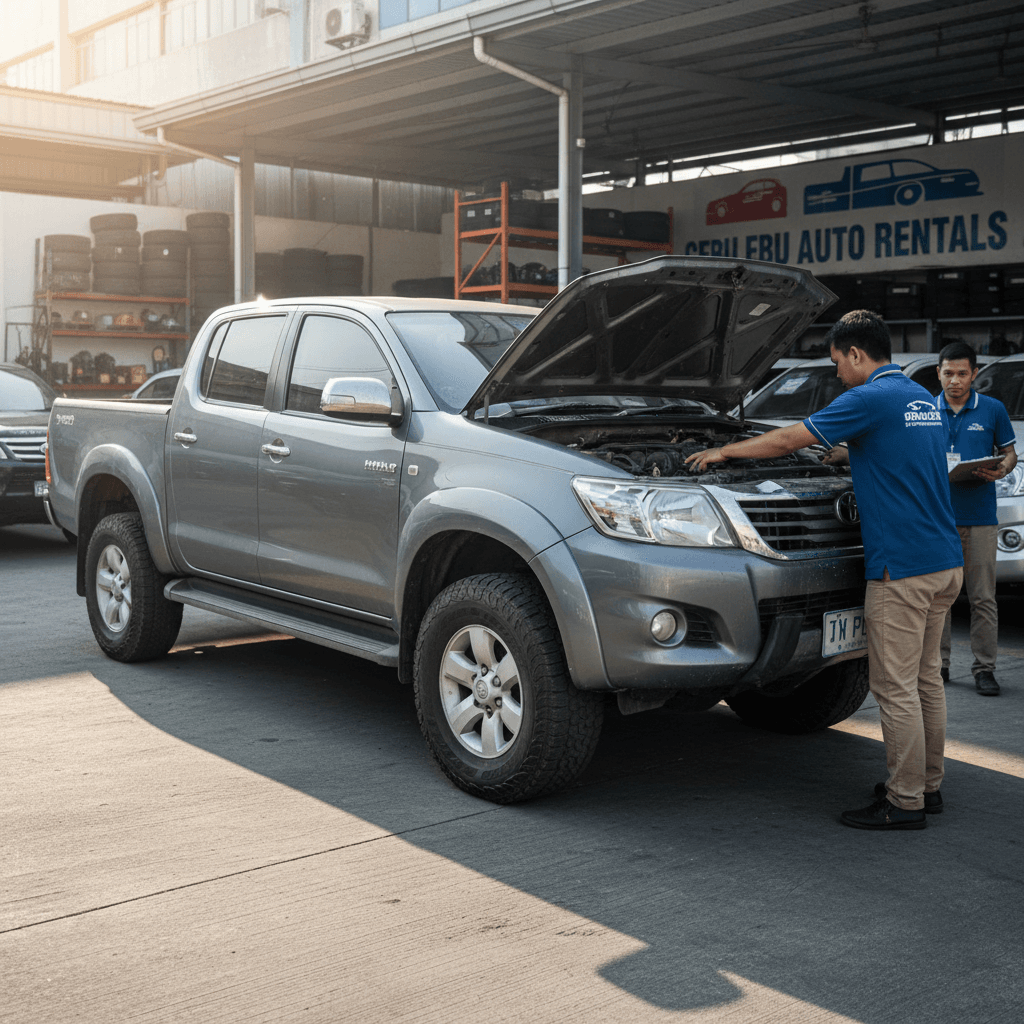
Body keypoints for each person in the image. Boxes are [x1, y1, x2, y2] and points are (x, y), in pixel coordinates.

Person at [685, 310, 963, 831]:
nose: (837, 373)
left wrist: (724, 450)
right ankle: (928, 785)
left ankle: (904, 803)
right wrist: (845, 455)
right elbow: (889, 453)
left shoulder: (867, 397)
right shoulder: (918, 399)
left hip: (899, 570)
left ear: (857, 354)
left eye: (838, 363)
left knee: (894, 687)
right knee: (926, 682)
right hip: (944, 563)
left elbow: (789, 439)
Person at [935, 341, 1017, 696]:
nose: (955, 381)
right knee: (940, 598)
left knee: (983, 598)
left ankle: (985, 669)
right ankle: (939, 667)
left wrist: (1002, 469)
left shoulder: (993, 410)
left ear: (975, 375)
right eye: (948, 373)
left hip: (981, 517)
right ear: (938, 372)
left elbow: (1010, 453)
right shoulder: (924, 411)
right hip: (938, 519)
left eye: (962, 373)